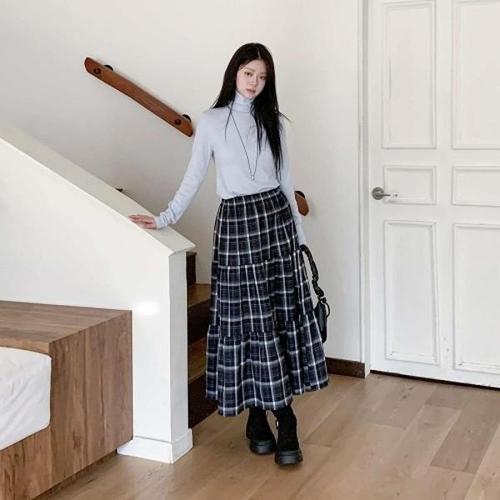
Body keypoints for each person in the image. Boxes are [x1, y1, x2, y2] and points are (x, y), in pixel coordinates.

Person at [129, 42, 329, 466]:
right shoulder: (211, 121)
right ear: (234, 73)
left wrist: (299, 237)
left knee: (275, 319)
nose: (255, 83)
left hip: (275, 222)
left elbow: (286, 181)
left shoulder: (274, 122)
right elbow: (193, 177)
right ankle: (283, 418)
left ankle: (260, 419)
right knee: (250, 322)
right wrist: (165, 217)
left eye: (262, 77)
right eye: (248, 73)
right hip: (237, 226)